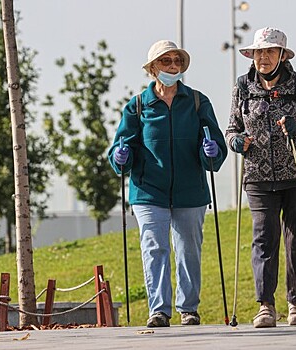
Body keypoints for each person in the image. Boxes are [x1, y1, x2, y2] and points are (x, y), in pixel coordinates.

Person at [108, 40, 227, 327]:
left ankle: (189, 309)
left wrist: (209, 151)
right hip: (149, 192)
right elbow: (119, 152)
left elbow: (216, 150)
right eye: (166, 62)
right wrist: (121, 157)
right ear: (152, 69)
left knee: (188, 250)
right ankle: (159, 310)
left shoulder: (198, 102)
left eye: (177, 61)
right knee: (155, 249)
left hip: (190, 191)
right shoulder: (137, 106)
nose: (173, 66)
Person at [224, 27, 296, 328]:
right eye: (259, 52)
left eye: (270, 52)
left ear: (282, 56)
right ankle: (265, 306)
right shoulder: (243, 87)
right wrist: (235, 142)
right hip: (258, 176)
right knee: (263, 237)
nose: (264, 57)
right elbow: (231, 128)